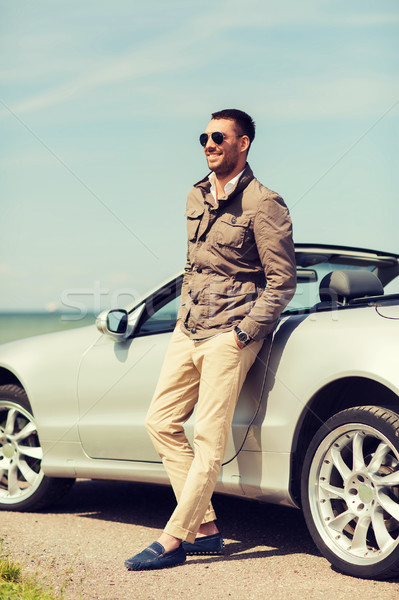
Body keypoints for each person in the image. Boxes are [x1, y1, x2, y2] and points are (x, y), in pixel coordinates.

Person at [125, 109, 296, 571]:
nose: (208, 143)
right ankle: (206, 528)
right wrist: (182, 318)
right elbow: (193, 265)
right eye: (204, 136)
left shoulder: (265, 203)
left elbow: (282, 282)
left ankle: (173, 539)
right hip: (189, 327)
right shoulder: (195, 194)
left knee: (207, 437)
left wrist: (244, 333)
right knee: (159, 423)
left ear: (243, 143)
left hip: (231, 332)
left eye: (218, 136)